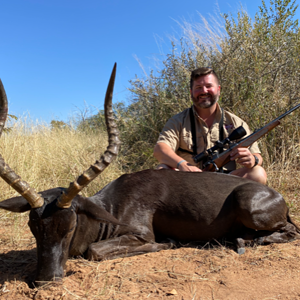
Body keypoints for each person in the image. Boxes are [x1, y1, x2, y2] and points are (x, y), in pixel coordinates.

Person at [153, 67, 267, 184]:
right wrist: (182, 164)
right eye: (198, 87)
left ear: (218, 90)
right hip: (187, 182)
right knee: (162, 170)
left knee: (258, 173)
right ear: (191, 92)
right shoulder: (178, 121)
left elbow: (257, 155)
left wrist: (253, 159)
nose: (204, 91)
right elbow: (160, 149)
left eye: (209, 86)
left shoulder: (236, 122)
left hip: (225, 183)